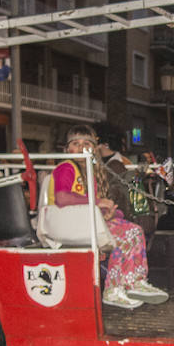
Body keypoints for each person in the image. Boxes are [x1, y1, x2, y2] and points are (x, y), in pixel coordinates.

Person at [49, 125, 167, 309]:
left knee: (134, 230)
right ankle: (113, 289)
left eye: (86, 143)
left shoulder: (91, 172)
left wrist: (111, 213)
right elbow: (62, 198)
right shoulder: (66, 168)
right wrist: (98, 202)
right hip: (68, 223)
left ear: (94, 148)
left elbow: (93, 205)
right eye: (75, 143)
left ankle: (134, 280)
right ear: (67, 149)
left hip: (84, 221)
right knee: (121, 236)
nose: (81, 147)